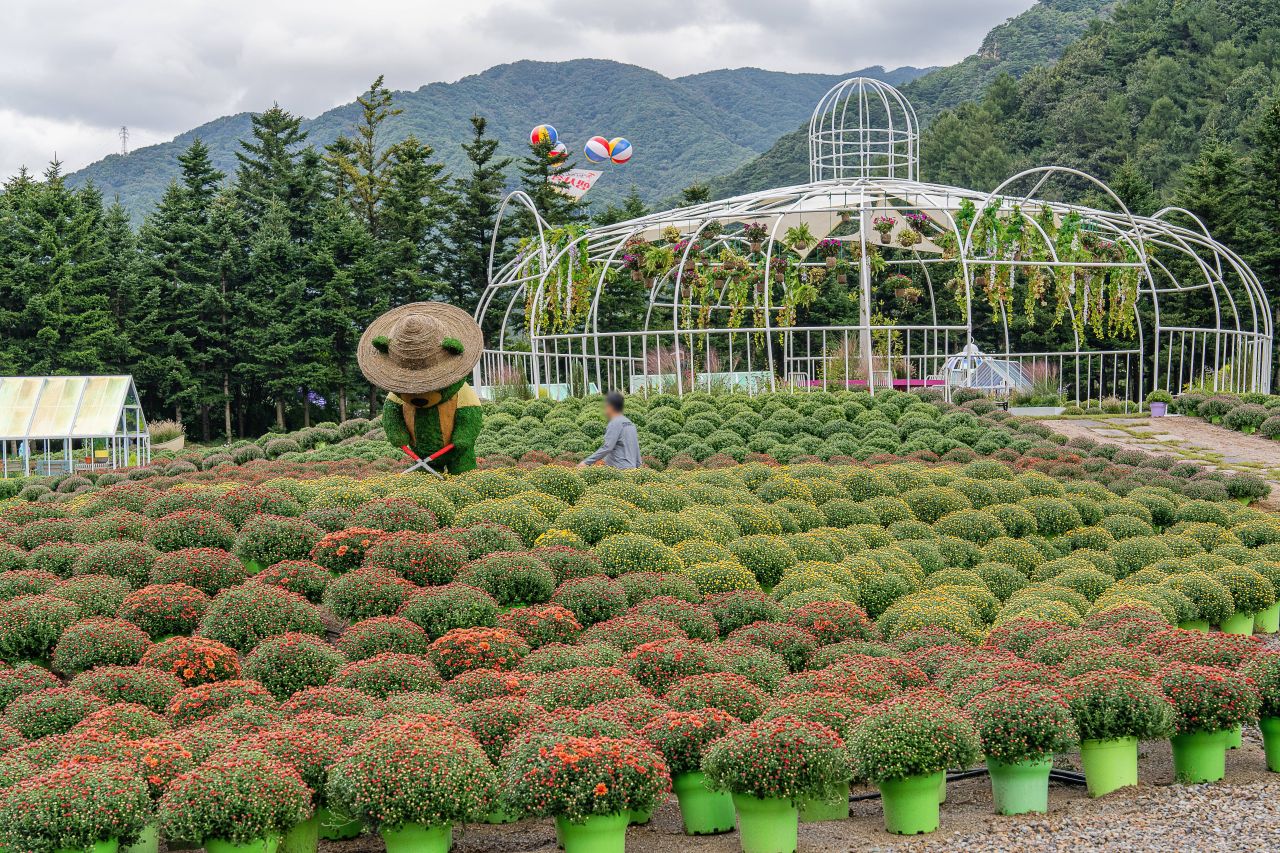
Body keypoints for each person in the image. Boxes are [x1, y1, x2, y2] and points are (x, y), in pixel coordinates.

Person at [357, 301, 485, 475]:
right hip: (421, 453)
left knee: (464, 473)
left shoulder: (462, 394)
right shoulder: (396, 396)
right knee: (426, 480)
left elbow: (471, 416)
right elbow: (392, 413)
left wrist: (463, 437)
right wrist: (398, 433)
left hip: (456, 451)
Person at [579, 391, 641, 470]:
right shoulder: (630, 423)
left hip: (618, 470)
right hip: (631, 469)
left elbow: (607, 447)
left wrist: (586, 462)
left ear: (610, 407)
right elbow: (636, 447)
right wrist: (638, 468)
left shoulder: (615, 423)